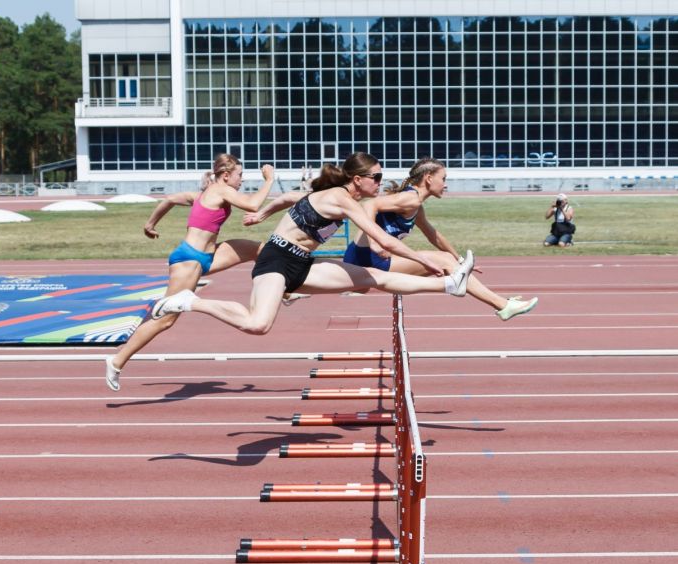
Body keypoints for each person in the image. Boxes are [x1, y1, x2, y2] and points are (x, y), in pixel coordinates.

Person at [149, 152, 475, 335]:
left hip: (302, 265)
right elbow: (379, 237)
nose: (380, 182)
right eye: (376, 177)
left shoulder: (335, 196)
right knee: (258, 323)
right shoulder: (342, 199)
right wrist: (429, 261)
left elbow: (291, 196)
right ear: (358, 180)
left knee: (378, 279)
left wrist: (264, 213)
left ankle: (451, 284)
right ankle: (190, 302)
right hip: (275, 260)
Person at [104, 154, 276, 391]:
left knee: (262, 250)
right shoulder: (220, 190)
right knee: (165, 320)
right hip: (188, 260)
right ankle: (116, 360)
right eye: (240, 175)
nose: (242, 180)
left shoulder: (204, 194)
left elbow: (170, 199)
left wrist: (150, 224)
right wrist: (269, 180)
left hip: (208, 255)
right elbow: (253, 204)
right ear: (226, 175)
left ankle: (283, 290)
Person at [343, 158, 538, 321]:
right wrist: (376, 242)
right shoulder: (411, 199)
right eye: (443, 178)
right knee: (443, 261)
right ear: (428, 178)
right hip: (366, 258)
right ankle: (503, 305)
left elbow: (433, 235)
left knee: (448, 262)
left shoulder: (416, 205)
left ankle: (502, 303)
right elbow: (370, 205)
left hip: (366, 258)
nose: (445, 184)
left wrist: (460, 260)